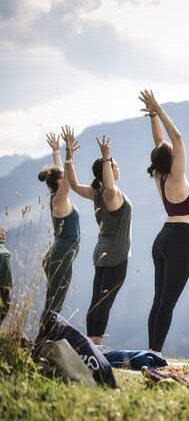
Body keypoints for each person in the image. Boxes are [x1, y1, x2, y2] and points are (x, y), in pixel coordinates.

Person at [139, 90, 189, 355]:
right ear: (172, 158)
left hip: (162, 238)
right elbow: (177, 138)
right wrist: (159, 110)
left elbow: (159, 142)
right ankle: (155, 354)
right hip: (179, 241)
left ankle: (152, 350)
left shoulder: (159, 176)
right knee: (168, 303)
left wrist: (152, 115)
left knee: (158, 300)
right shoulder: (176, 176)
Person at [63, 129, 132, 346]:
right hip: (115, 254)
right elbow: (110, 184)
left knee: (96, 301)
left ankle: (91, 344)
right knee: (105, 302)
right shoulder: (111, 194)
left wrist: (69, 156)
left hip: (101, 252)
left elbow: (73, 185)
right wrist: (106, 157)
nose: (118, 168)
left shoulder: (95, 192)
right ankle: (97, 345)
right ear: (108, 170)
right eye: (115, 166)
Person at [38, 127, 81, 323]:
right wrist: (68, 155)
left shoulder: (57, 196)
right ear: (59, 182)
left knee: (54, 300)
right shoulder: (59, 200)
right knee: (54, 302)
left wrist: (57, 151)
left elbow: (61, 176)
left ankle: (46, 337)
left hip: (59, 253)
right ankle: (44, 340)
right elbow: (68, 181)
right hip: (61, 255)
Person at [0, 227, 12, 324]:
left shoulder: (3, 249)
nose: (3, 233)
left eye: (4, 233)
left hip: (5, 287)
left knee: (6, 307)